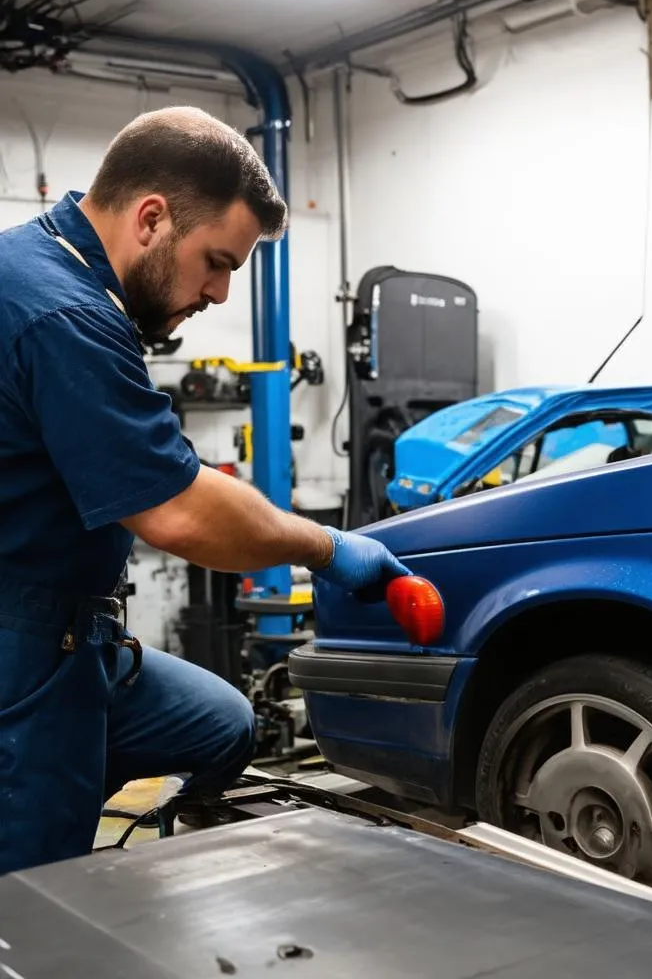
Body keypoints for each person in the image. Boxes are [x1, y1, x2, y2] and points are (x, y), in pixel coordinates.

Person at [0, 106, 410, 875]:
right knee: (34, 892)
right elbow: (180, 512)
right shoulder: (64, 315)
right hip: (20, 650)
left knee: (219, 725)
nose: (221, 294)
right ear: (151, 218)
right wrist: (326, 547)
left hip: (80, 634)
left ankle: (127, 864)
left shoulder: (42, 268)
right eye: (216, 262)